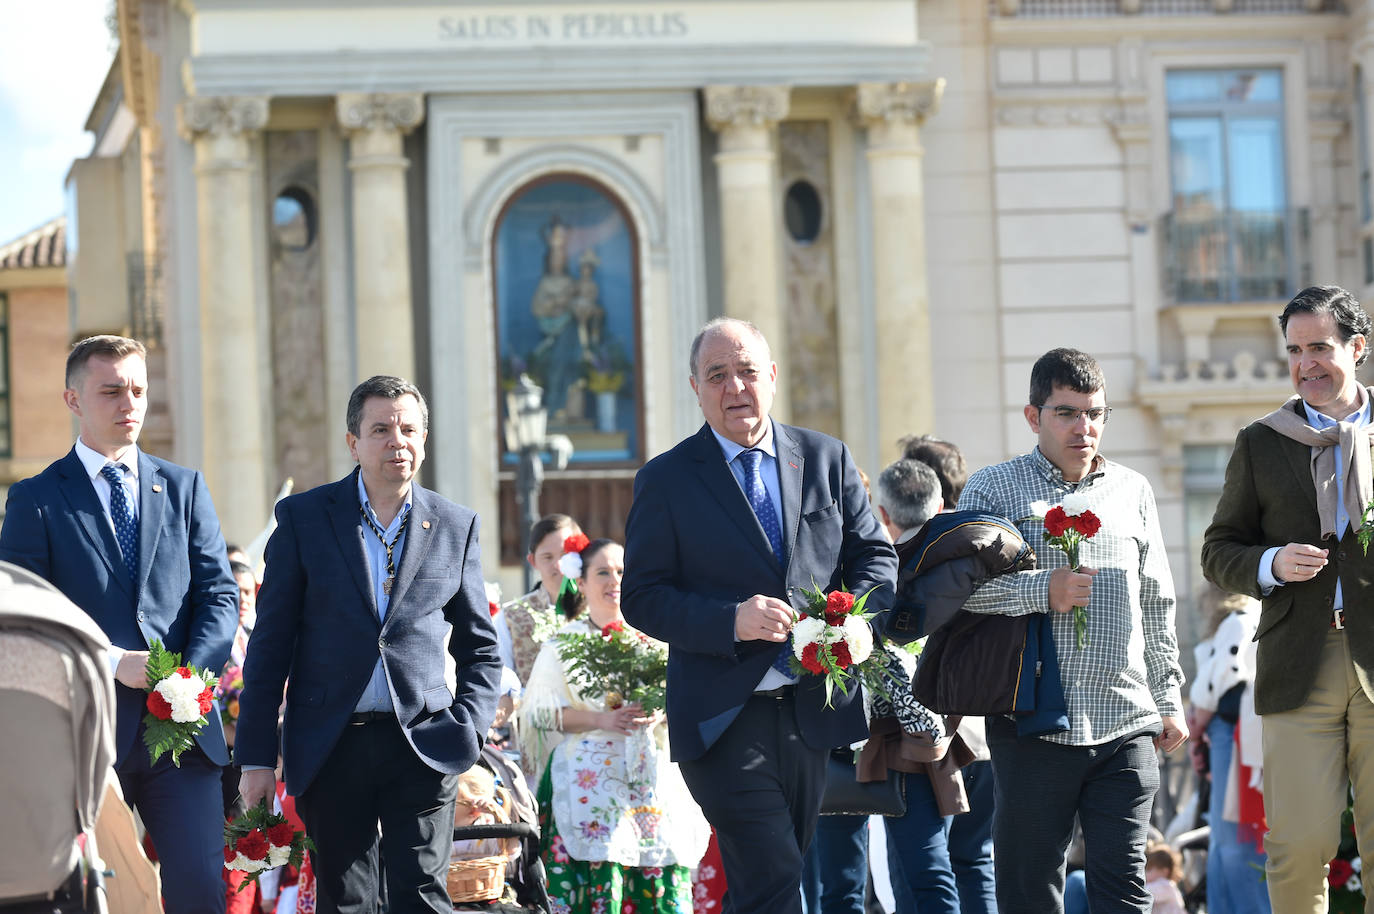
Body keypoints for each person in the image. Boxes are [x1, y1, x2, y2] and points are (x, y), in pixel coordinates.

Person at [621, 317, 897, 914]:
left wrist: (853, 623)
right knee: (774, 875)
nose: (735, 386)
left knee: (769, 880)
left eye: (747, 371)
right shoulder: (666, 479)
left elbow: (874, 555)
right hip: (723, 718)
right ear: (695, 387)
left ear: (771, 376)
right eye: (717, 375)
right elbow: (641, 596)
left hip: (813, 707)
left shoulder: (826, 457)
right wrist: (730, 620)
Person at [236, 375, 503, 914]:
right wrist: (256, 758)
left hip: (425, 744)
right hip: (331, 745)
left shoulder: (456, 525)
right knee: (348, 900)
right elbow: (268, 647)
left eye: (408, 429)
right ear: (353, 442)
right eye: (380, 429)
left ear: (424, 438)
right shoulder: (305, 519)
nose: (396, 441)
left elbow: (481, 648)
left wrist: (469, 729)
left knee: (422, 898)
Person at [0, 334, 239, 914]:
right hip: (78, 733)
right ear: (73, 399)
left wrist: (186, 677)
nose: (129, 403)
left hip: (179, 734)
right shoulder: (34, 500)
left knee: (200, 894)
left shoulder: (185, 488)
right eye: (111, 391)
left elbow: (219, 596)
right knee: (89, 897)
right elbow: (25, 618)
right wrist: (110, 662)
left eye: (138, 390)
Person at [956, 347, 1186, 914]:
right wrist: (1043, 590)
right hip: (1034, 721)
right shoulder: (992, 491)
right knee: (1030, 889)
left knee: (1123, 890)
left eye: (1096, 413)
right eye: (1066, 413)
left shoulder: (1132, 490)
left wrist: (1168, 696)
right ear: (1033, 417)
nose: (1084, 428)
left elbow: (1156, 601)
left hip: (1125, 720)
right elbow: (962, 599)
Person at [1201, 284, 1374, 914]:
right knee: (1298, 845)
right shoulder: (1262, 441)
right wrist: (1271, 563)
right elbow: (1218, 550)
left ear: (1358, 347)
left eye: (1320, 348)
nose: (1306, 364)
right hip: (1298, 665)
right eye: (1295, 350)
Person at [519, 537, 709, 912]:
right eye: (603, 572)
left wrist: (661, 710)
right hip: (585, 775)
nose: (614, 580)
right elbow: (538, 713)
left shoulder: (658, 641)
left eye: (622, 571)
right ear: (582, 582)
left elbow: (689, 700)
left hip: (649, 778)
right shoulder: (562, 643)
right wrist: (601, 719)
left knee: (658, 864)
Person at [895, 436, 998, 914]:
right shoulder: (984, 544)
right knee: (977, 860)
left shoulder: (911, 559)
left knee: (920, 867)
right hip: (986, 726)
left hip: (930, 732)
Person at [870, 458, 967, 914]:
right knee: (969, 865)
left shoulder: (881, 574)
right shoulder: (969, 561)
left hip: (908, 739)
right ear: (943, 506)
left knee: (923, 874)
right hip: (973, 730)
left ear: (883, 515)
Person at [1186, 588, 1269, 914]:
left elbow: (1223, 675)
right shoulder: (1242, 619)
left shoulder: (1239, 620)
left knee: (1234, 838)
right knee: (1224, 839)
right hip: (1226, 732)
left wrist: (1196, 728)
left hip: (1230, 732)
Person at [504, 513, 585, 685]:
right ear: (533, 561)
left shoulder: (600, 607)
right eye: (548, 557)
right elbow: (503, 678)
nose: (558, 565)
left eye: (565, 555)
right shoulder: (511, 616)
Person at [1143, 844, 1186, 914]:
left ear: (1164, 871)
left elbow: (1144, 892)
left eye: (1149, 869)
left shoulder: (1166, 885)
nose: (1144, 873)